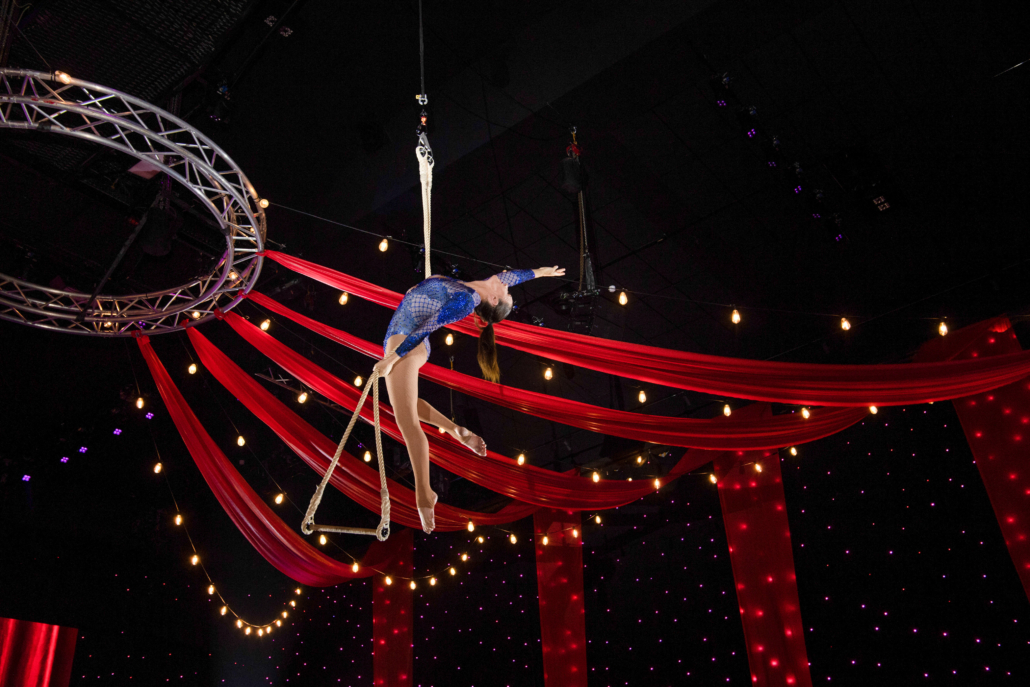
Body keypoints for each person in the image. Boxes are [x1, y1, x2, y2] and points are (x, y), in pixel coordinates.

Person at [373, 266, 566, 533]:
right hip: (402, 336)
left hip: (407, 339)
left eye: (507, 292)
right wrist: (541, 272)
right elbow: (511, 276)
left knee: (405, 421)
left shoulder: (466, 301)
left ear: (495, 299)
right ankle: (457, 431)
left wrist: (392, 358)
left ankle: (424, 494)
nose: (507, 285)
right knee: (405, 406)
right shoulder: (481, 285)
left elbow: (429, 325)